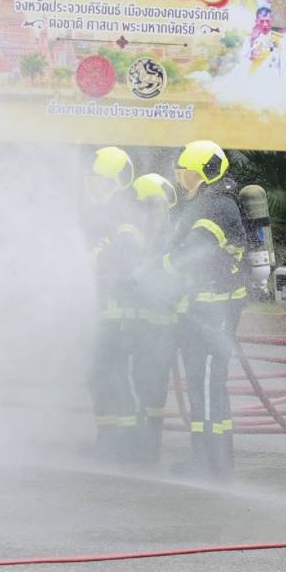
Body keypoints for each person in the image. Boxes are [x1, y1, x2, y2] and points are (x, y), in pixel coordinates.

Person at [169, 139, 248, 478]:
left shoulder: (217, 207)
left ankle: (212, 463)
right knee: (203, 386)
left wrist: (151, 274)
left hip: (215, 311)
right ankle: (209, 460)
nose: (182, 180)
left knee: (207, 386)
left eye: (187, 174)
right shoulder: (208, 203)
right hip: (203, 310)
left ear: (206, 172)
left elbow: (191, 252)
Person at [84, 147, 141, 461]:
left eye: (100, 181)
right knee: (99, 376)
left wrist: (99, 257)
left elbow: (129, 253)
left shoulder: (122, 212)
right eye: (91, 181)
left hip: (116, 315)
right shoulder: (99, 212)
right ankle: (106, 439)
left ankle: (125, 444)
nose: (94, 188)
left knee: (115, 376)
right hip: (99, 313)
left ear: (115, 182)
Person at [127, 172, 182, 465]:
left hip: (158, 327)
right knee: (143, 384)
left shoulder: (165, 238)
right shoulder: (151, 235)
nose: (148, 213)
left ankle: (147, 448)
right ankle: (144, 444)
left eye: (150, 206)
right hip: (146, 326)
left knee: (151, 387)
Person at [244, 6, 286, 80]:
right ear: (256, 21)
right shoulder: (249, 39)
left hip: (271, 81)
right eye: (262, 21)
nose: (265, 24)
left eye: (268, 21)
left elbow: (284, 65)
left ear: (272, 21)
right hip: (253, 79)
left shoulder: (280, 40)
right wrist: (252, 41)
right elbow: (244, 62)